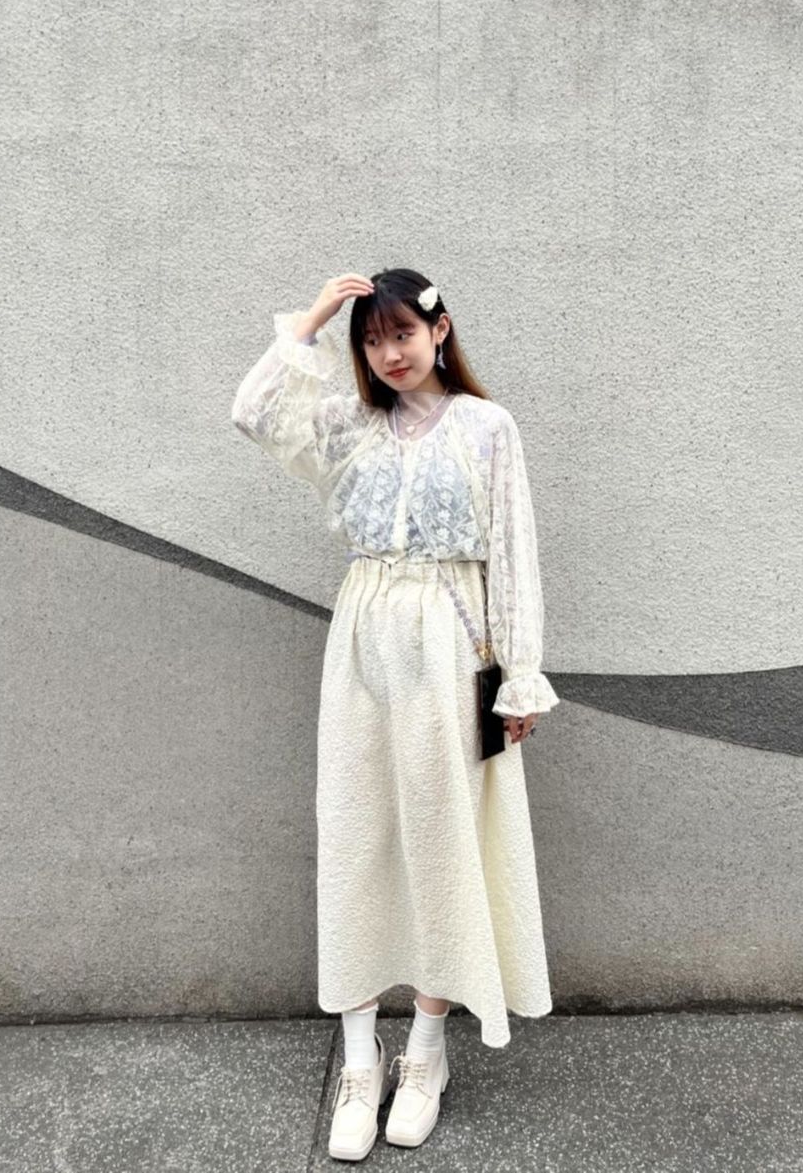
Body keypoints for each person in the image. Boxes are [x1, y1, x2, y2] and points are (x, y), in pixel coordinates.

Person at [231, 268, 559, 1161]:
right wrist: (311, 319)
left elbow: (513, 553)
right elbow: (253, 412)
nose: (389, 353)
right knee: (357, 830)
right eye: (373, 340)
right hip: (364, 638)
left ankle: (425, 1050)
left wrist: (519, 677)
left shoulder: (488, 428)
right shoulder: (352, 424)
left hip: (451, 642)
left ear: (440, 329)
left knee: (442, 836)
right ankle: (359, 1057)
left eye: (403, 332)